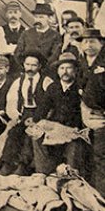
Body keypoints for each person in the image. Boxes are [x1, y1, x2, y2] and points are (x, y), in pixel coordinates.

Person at [30, 52, 85, 175]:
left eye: (69, 68)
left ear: (75, 70)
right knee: (37, 136)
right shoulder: (53, 88)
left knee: (75, 143)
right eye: (62, 68)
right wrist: (35, 121)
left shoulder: (81, 87)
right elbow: (43, 109)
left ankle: (71, 175)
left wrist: (76, 128)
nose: (65, 71)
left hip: (74, 128)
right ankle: (43, 172)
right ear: (58, 71)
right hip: (55, 127)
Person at [0, 51, 53, 175]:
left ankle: (24, 165)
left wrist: (38, 118)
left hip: (41, 114)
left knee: (30, 134)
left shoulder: (46, 81)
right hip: (24, 113)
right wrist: (16, 116)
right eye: (27, 65)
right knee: (14, 132)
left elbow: (50, 103)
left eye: (34, 65)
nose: (30, 68)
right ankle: (8, 164)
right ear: (23, 65)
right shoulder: (19, 81)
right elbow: (11, 100)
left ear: (39, 66)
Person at [76, 29, 105, 196]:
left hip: (100, 118)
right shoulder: (81, 64)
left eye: (92, 41)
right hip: (85, 117)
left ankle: (102, 196)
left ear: (101, 44)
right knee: (87, 157)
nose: (88, 45)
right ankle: (91, 195)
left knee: (101, 158)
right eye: (85, 41)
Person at [14, 3, 61, 69]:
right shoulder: (26, 33)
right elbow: (18, 53)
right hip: (27, 70)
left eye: (41, 17)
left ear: (49, 18)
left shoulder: (55, 35)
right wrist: (26, 66)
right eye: (36, 17)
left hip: (46, 70)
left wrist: (42, 67)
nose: (38, 20)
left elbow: (55, 56)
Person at [0, 1, 26, 76]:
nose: (13, 15)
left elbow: (26, 49)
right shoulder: (0, 30)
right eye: (10, 12)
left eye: (15, 12)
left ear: (20, 14)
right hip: (5, 66)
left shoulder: (26, 31)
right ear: (6, 15)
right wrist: (17, 47)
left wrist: (9, 47)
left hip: (21, 65)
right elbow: (1, 50)